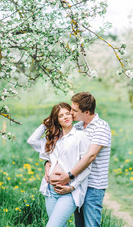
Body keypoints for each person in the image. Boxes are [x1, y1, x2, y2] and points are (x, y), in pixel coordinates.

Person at [46, 92, 111, 227]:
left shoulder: (101, 126)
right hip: (78, 185)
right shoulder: (77, 127)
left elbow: (90, 156)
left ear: (86, 112)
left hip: (93, 185)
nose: (71, 113)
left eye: (74, 110)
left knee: (91, 224)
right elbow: (59, 152)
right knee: (80, 224)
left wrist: (69, 176)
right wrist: (48, 166)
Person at [27, 102, 91, 227]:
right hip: (50, 190)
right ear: (56, 120)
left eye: (68, 113)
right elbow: (32, 141)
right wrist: (45, 124)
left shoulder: (80, 136)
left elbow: (87, 166)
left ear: (72, 116)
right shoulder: (54, 137)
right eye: (61, 116)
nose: (66, 117)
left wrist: (72, 186)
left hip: (69, 191)